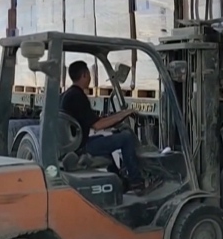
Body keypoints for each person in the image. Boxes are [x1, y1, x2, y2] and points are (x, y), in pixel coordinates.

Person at [60, 60, 157, 195]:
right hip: (82, 148)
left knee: (104, 141)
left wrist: (113, 117)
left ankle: (119, 181)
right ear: (84, 75)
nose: (89, 77)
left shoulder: (66, 95)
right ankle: (137, 182)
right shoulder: (78, 96)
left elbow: (88, 119)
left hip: (74, 145)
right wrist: (123, 114)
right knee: (126, 138)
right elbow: (98, 124)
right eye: (88, 74)